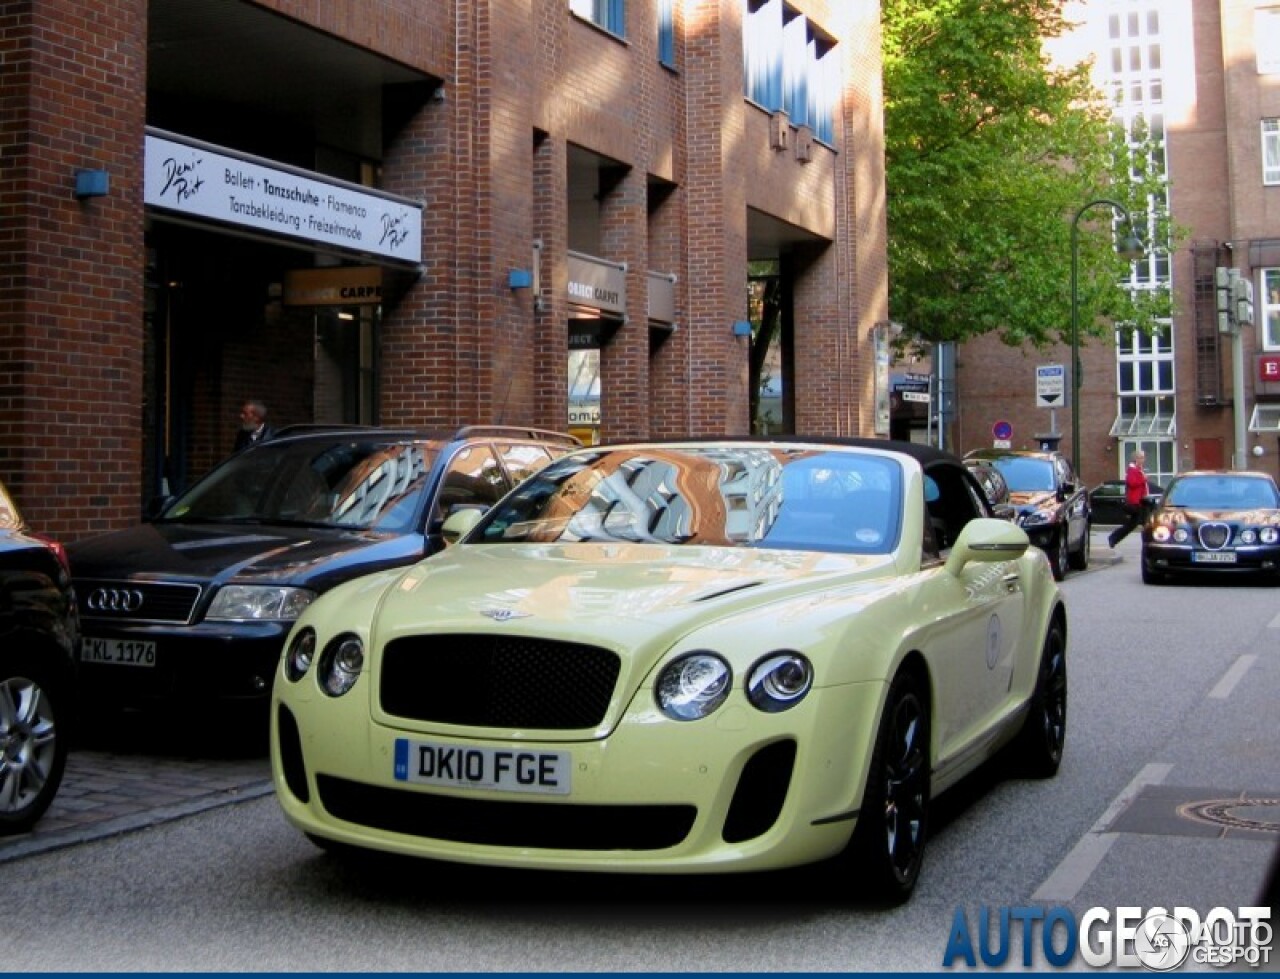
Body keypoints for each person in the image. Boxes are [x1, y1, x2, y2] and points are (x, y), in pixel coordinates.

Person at [1107, 448, 1149, 549]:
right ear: (1136, 458)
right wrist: (1143, 478)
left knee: (1137, 524)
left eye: (1143, 457)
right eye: (1141, 457)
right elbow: (1132, 483)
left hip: (1142, 501)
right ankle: (1113, 538)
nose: (1143, 460)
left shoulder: (1139, 470)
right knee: (1135, 524)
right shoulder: (1132, 470)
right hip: (1134, 502)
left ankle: (1114, 538)